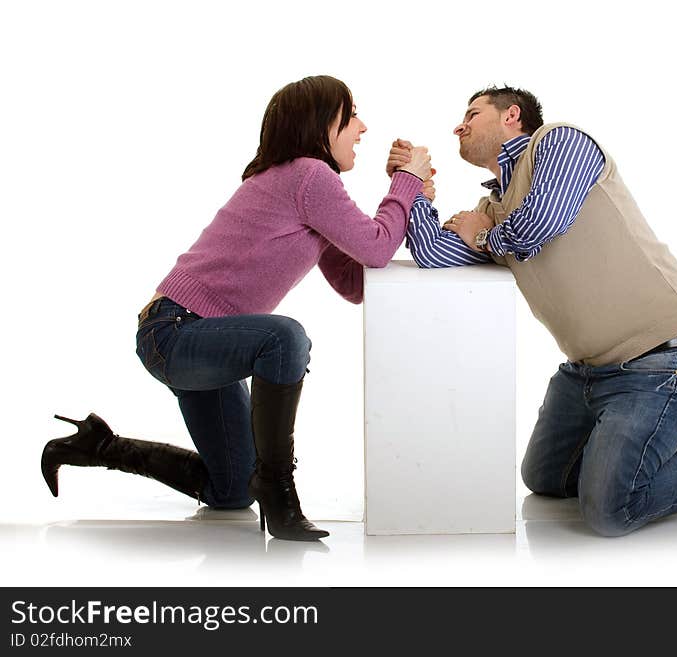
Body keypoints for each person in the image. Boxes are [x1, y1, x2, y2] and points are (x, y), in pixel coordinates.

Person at [41, 75, 433, 541]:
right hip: (175, 331)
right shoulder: (310, 174)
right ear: (320, 125)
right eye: (350, 116)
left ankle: (99, 445)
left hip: (200, 341)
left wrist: (414, 198)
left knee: (230, 490)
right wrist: (405, 183)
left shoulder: (307, 186)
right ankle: (280, 490)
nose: (362, 127)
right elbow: (375, 246)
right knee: (284, 336)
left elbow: (355, 281)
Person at [391, 86, 677, 537]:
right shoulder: (492, 209)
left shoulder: (560, 143)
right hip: (587, 374)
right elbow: (433, 254)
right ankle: (642, 449)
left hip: (664, 360)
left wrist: (483, 237)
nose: (458, 126)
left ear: (511, 116)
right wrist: (412, 187)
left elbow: (542, 223)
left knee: (609, 511)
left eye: (472, 114)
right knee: (545, 478)